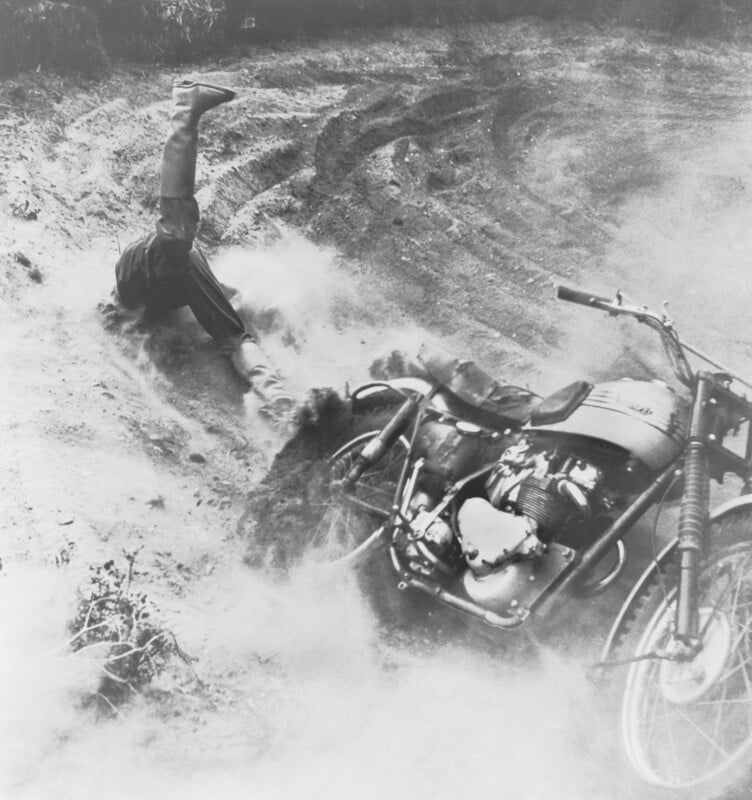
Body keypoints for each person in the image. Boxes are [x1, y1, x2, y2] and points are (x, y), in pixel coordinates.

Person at [112, 79, 293, 423]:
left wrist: (277, 399)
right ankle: (186, 106)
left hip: (163, 283)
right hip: (141, 272)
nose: (188, 232)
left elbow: (234, 337)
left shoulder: (194, 274)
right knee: (176, 230)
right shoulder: (160, 257)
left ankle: (187, 108)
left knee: (225, 309)